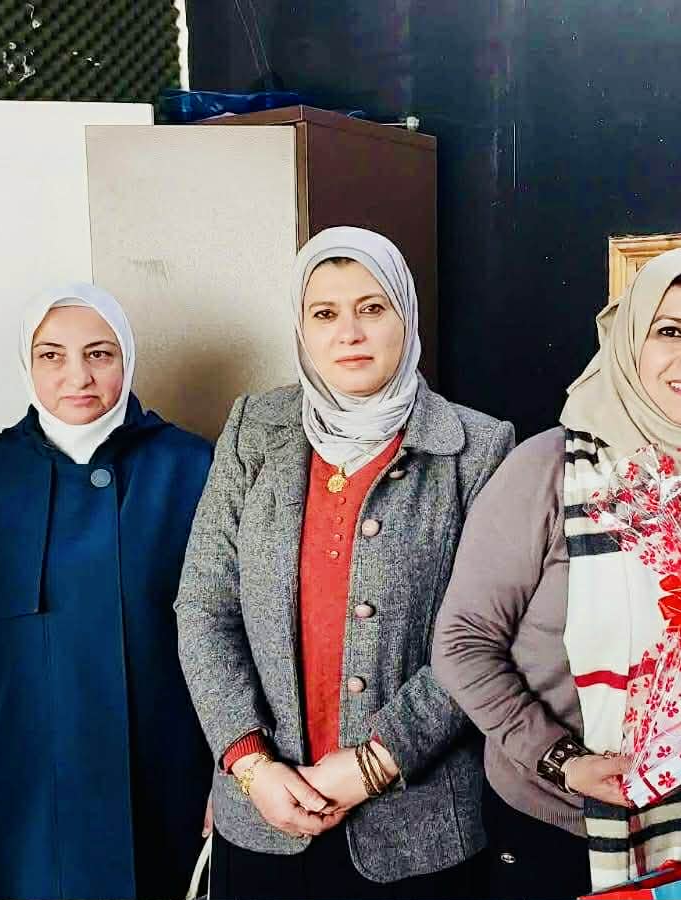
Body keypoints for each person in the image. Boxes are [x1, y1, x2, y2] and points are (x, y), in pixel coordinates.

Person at [433, 247, 681, 898]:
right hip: (568, 831)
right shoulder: (549, 472)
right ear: (630, 342)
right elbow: (462, 642)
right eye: (669, 331)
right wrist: (563, 760)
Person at [174, 227, 514, 899]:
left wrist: (375, 763)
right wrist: (249, 764)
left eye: (372, 308)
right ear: (301, 328)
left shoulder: (477, 448)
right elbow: (204, 609)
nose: (349, 333)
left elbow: (483, 637)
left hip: (419, 834)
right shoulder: (253, 431)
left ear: (405, 316)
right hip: (263, 817)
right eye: (325, 313)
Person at [0, 284, 214, 899]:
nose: (77, 376)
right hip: (22, 788)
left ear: (127, 359)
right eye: (51, 355)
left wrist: (233, 773)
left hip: (166, 780)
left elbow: (239, 640)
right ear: (27, 364)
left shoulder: (194, 468)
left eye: (99, 354)